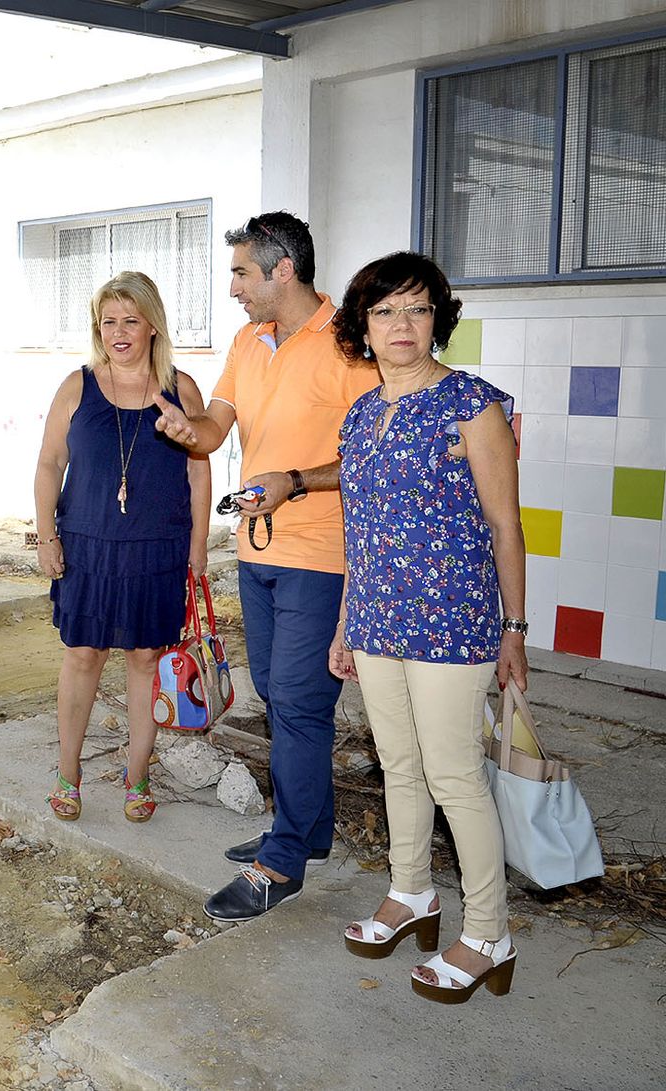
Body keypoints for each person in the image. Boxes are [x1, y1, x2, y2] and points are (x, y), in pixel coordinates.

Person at [149, 212, 379, 922]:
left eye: (242, 272)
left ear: (284, 270)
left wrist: (297, 481)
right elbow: (220, 423)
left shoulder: (348, 346)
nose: (234, 289)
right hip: (257, 549)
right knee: (282, 703)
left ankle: (280, 862)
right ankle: (306, 828)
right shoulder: (250, 341)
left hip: (319, 555)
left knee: (302, 704)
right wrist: (193, 432)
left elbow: (369, 456)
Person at [327, 251, 526, 1004]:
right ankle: (412, 892)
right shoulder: (360, 412)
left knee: (454, 775)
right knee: (398, 764)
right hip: (378, 616)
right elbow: (360, 526)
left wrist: (513, 627)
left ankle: (489, 931)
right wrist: (348, 619)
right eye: (384, 312)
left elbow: (508, 526)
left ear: (437, 318)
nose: (401, 325)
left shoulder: (472, 404)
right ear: (364, 327)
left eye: (415, 309)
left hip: (454, 620)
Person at [35, 271, 210, 825]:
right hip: (86, 545)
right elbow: (48, 464)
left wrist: (199, 546)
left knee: (144, 660)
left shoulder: (181, 390)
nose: (118, 332)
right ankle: (69, 773)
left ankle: (138, 777)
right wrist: (47, 534)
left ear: (152, 326)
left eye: (130, 320)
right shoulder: (76, 386)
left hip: (156, 549)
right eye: (108, 321)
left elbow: (199, 471)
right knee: (82, 655)